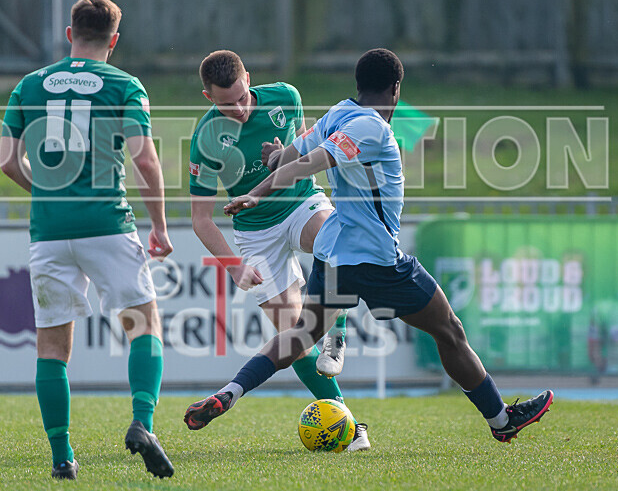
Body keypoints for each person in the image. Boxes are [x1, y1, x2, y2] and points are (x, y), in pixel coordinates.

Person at [185, 48, 554, 444]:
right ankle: (501, 420)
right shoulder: (372, 129)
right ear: (395, 89)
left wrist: (275, 158)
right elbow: (309, 163)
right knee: (449, 330)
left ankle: (231, 391)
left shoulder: (337, 113)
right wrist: (260, 191)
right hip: (378, 260)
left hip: (333, 256)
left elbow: (292, 154)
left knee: (299, 335)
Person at [0, 0, 174, 479]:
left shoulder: (29, 84)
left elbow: (7, 161)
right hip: (107, 225)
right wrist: (159, 225)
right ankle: (142, 424)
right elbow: (144, 159)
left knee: (52, 348)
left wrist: (48, 192)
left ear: (69, 34)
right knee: (144, 325)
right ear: (114, 40)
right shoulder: (124, 84)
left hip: (49, 233)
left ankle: (62, 459)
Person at [186, 50, 368, 450]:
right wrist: (234, 267)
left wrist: (284, 158)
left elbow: (306, 153)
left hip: (300, 203)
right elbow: (201, 219)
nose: (238, 109)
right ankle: (348, 425)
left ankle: (336, 332)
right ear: (207, 97)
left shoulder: (286, 97)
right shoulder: (206, 139)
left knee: (337, 242)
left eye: (242, 97)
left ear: (249, 79)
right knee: (293, 338)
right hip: (255, 233)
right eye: (226, 104)